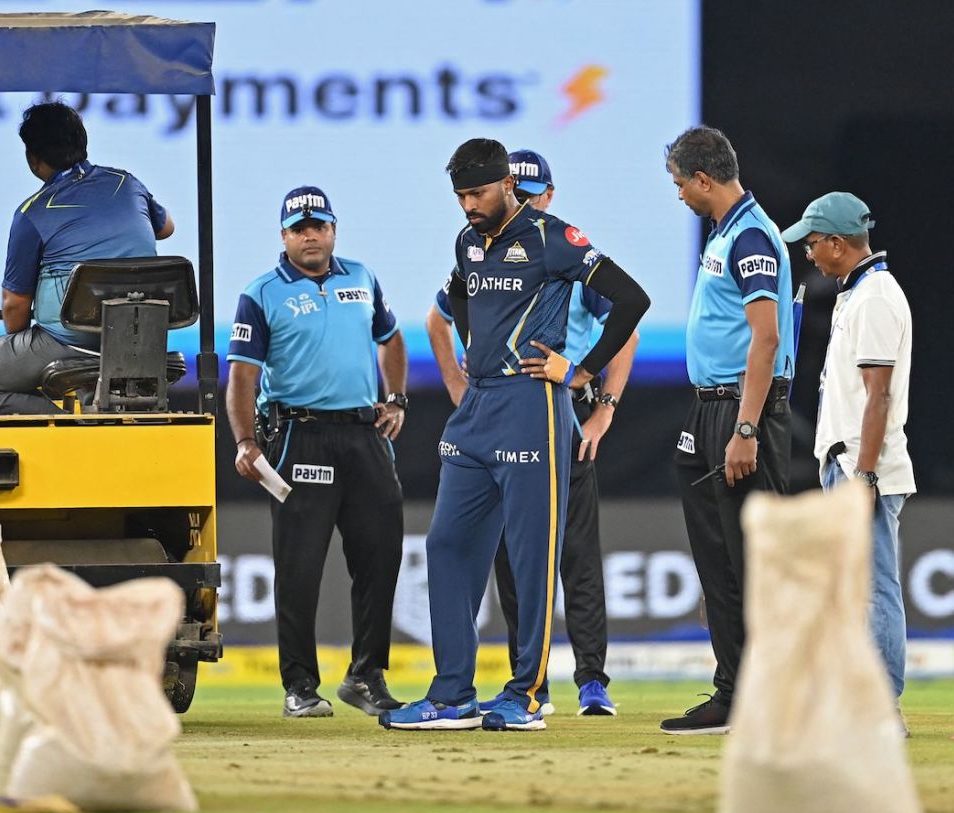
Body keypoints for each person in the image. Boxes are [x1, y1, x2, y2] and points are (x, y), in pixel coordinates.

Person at [382, 138, 648, 732]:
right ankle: (452, 694)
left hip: (533, 404)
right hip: (477, 407)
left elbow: (633, 299)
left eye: (477, 193)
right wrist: (472, 353)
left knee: (533, 559)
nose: (468, 206)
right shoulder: (468, 241)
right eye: (460, 196)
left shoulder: (554, 237)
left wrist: (582, 372)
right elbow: (458, 296)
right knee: (446, 545)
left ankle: (527, 694)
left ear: (506, 184)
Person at [227, 186, 408, 719]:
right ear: (283, 235)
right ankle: (300, 686)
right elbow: (242, 377)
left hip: (365, 433)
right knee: (299, 567)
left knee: (380, 558)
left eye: (319, 226)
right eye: (299, 228)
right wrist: (245, 440)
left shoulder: (362, 277)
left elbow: (391, 338)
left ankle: (366, 676)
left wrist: (397, 398)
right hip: (300, 433)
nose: (310, 236)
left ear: (333, 230)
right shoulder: (261, 293)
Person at [661, 126, 794, 735]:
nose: (679, 195)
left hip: (740, 410)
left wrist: (746, 426)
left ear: (703, 179)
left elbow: (766, 339)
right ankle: (734, 691)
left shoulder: (751, 237)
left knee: (752, 563)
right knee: (718, 561)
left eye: (679, 184)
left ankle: (772, 698)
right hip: (709, 408)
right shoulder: (726, 231)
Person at [782, 191, 914, 728]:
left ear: (837, 243)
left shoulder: (875, 297)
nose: (809, 254)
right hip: (849, 462)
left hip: (864, 467)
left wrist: (863, 475)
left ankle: (880, 707)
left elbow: (878, 397)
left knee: (874, 587)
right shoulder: (857, 293)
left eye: (812, 244)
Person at [0, 101, 175, 414]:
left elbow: (14, 305)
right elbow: (166, 228)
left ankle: (69, 428)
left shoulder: (32, 213)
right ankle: (92, 421)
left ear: (33, 158)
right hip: (138, 339)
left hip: (68, 343)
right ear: (82, 143)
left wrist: (19, 345)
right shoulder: (127, 184)